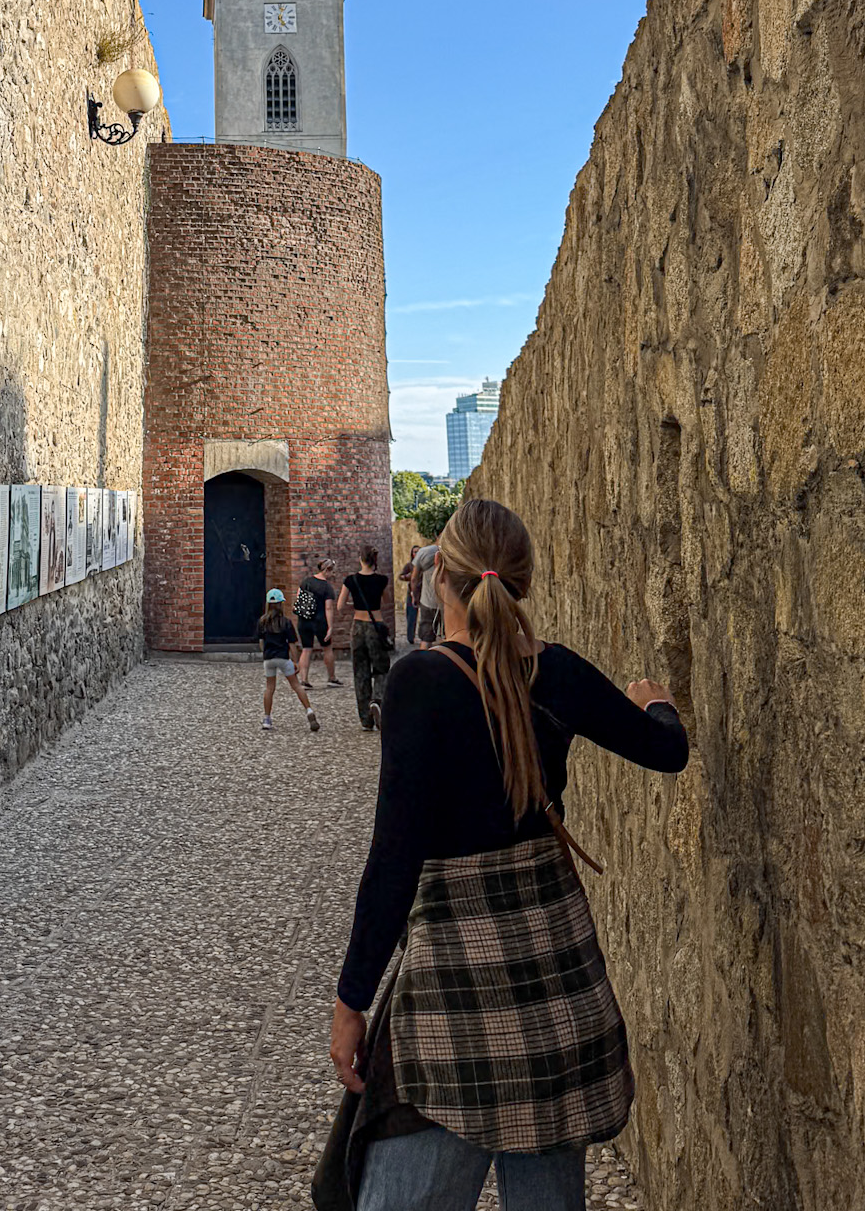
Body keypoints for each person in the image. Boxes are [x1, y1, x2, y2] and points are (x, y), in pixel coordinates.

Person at [324, 497, 689, 1211]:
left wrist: (351, 1002)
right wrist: (656, 704)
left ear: (442, 579)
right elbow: (666, 751)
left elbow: (393, 859)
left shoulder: (420, 683)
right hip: (557, 998)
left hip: (453, 1005)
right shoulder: (561, 675)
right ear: (520, 582)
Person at [336, 546, 391, 731]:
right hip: (376, 626)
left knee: (360, 671)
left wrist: (356, 604)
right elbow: (387, 601)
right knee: (382, 667)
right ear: (374, 559)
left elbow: (340, 606)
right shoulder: (382, 580)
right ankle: (377, 700)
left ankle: (365, 719)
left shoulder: (351, 580)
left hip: (358, 626)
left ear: (360, 559)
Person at [257, 587, 320, 733]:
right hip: (283, 658)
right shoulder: (286, 622)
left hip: (269, 658)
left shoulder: (262, 622)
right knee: (296, 686)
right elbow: (292, 644)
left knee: (269, 688)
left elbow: (261, 642)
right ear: (281, 604)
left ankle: (267, 718)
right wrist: (295, 661)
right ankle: (309, 710)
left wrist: (265, 653)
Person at [295, 557, 341, 687]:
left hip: (304, 621)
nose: (333, 575)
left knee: (306, 649)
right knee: (327, 649)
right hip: (320, 621)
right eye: (332, 572)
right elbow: (328, 608)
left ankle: (304, 680)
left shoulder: (306, 581)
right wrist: (330, 626)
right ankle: (331, 678)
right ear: (327, 570)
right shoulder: (327, 587)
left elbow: (299, 598)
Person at [412, 535, 441, 648]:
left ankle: (423, 664)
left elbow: (414, 578)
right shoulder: (454, 552)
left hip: (427, 601)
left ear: (436, 536)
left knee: (426, 637)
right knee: (447, 637)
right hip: (447, 603)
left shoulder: (423, 552)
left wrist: (415, 596)